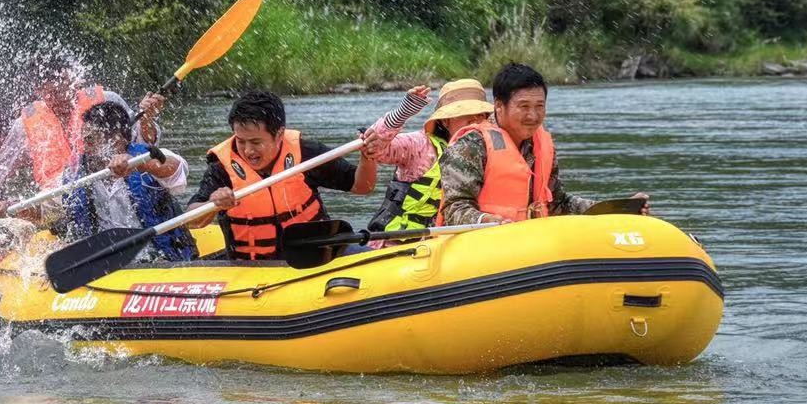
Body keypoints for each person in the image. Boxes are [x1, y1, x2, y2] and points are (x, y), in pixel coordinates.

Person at [438, 62, 649, 225]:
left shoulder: (541, 145)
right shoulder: (470, 146)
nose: (533, 115)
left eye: (539, 106)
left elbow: (558, 204)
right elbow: (455, 208)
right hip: (480, 247)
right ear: (499, 106)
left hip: (532, 247)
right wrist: (486, 220)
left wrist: (615, 208)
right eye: (524, 106)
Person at [188, 91, 378, 261]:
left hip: (317, 256)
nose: (248, 150)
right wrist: (213, 205)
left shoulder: (305, 154)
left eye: (255, 142)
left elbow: (362, 186)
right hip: (252, 268)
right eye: (241, 141)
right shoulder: (221, 168)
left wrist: (368, 158)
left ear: (279, 134)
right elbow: (192, 219)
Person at [0, 62, 164, 197]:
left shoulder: (106, 101)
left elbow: (144, 147)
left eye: (64, 87)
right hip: (58, 200)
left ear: (73, 80)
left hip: (113, 185)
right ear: (39, 91)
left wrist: (146, 121)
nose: (60, 96)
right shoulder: (25, 124)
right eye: (51, 92)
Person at [49, 101, 195, 261]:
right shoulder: (75, 174)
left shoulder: (147, 157)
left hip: (160, 259)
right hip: (107, 262)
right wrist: (27, 211)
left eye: (91, 140)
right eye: (84, 141)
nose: (85, 148)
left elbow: (175, 169)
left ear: (117, 140)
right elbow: (52, 206)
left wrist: (139, 164)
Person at [362, 80, 492, 233]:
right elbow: (374, 146)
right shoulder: (421, 145)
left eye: (480, 115)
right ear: (445, 121)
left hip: (453, 242)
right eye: (467, 115)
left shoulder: (491, 150)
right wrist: (403, 112)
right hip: (402, 242)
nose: (475, 122)